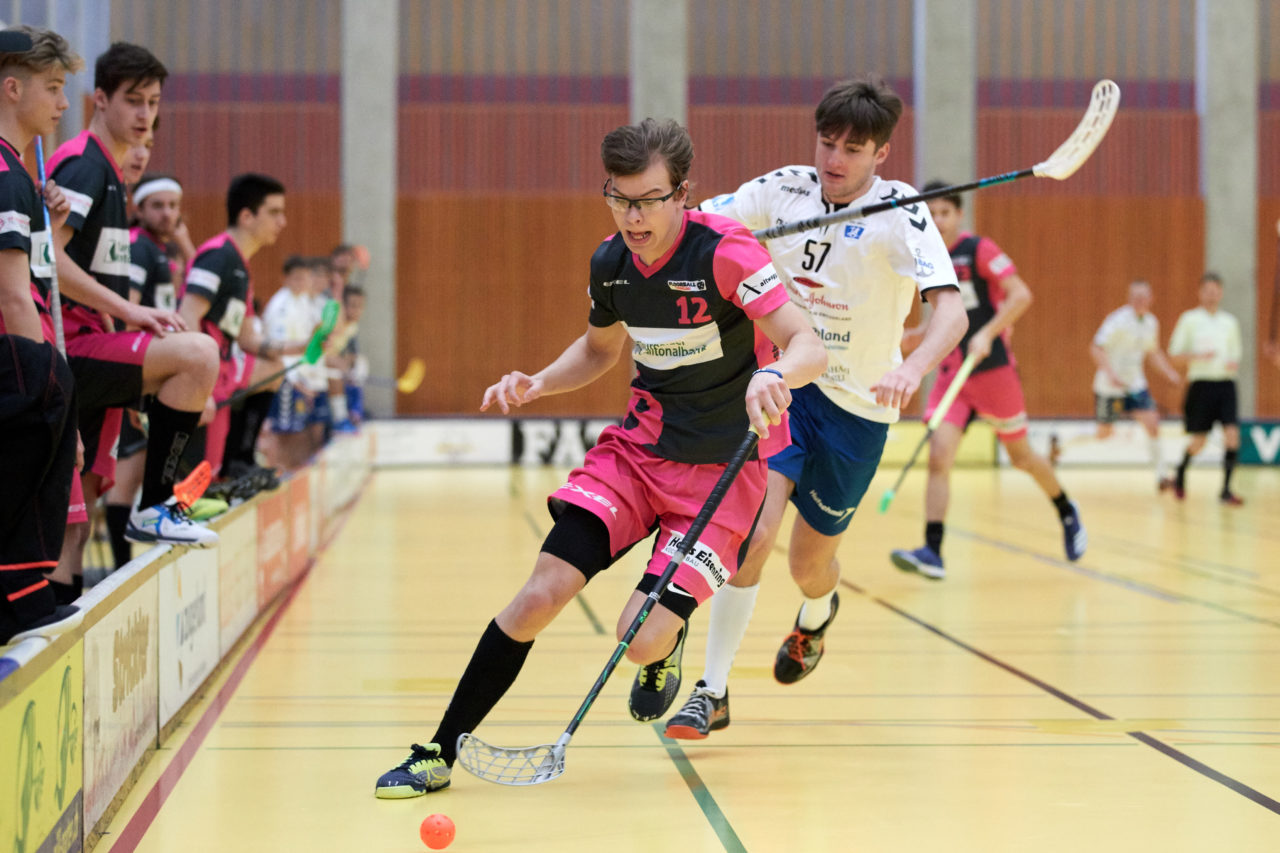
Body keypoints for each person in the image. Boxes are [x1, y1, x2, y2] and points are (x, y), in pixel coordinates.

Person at [373, 118, 826, 798]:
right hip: (637, 456)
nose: (632, 216)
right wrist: (538, 380)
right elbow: (598, 350)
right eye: (618, 197)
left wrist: (777, 375)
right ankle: (437, 750)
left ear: (682, 193)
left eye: (647, 199)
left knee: (638, 638)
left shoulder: (726, 253)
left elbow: (807, 343)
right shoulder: (611, 264)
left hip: (718, 477)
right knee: (540, 593)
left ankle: (662, 646)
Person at [661, 75, 968, 739]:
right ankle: (712, 689)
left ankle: (818, 614)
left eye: (853, 150)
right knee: (751, 536)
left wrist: (914, 368)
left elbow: (953, 308)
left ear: (881, 154)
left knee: (808, 564)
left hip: (858, 406)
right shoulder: (783, 190)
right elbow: (702, 226)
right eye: (828, 143)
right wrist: (662, 216)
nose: (835, 159)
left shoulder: (903, 211)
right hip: (785, 381)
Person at [45, 42, 220, 601]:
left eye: (153, 103)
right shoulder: (84, 164)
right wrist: (128, 311)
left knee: (80, 514)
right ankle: (158, 503)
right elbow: (48, 257)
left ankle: (56, 634)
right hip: (69, 349)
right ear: (100, 99)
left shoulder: (111, 174)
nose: (145, 116)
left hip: (100, 343)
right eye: (133, 101)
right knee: (197, 353)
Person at [891, 181, 1087, 581]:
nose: (938, 220)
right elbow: (944, 317)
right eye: (931, 214)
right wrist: (916, 336)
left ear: (959, 215)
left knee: (1021, 458)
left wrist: (989, 332)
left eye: (945, 212)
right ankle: (933, 550)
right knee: (939, 457)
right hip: (953, 376)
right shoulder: (928, 259)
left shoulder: (979, 249)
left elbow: (1021, 296)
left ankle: (1066, 510)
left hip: (992, 371)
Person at [0, 25, 83, 642]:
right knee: (52, 386)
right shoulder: (5, 175)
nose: (61, 103)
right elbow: (11, 295)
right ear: (11, 88)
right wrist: (52, 395)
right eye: (52, 88)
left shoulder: (17, 174)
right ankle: (20, 595)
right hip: (10, 354)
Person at [177, 172, 297, 479]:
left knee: (274, 365)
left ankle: (240, 460)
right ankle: (236, 462)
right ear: (246, 216)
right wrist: (199, 386)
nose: (282, 222)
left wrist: (302, 345)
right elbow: (187, 315)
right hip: (207, 374)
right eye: (274, 212)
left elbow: (247, 339)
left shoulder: (240, 264)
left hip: (225, 368)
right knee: (199, 478)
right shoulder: (219, 255)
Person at [102, 170, 188, 567]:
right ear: (139, 209)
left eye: (173, 206)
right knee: (125, 478)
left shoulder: (159, 250)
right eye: (158, 206)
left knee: (135, 476)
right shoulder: (139, 247)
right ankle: (119, 570)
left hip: (150, 373)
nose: (167, 213)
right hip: (138, 373)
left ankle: (124, 564)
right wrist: (136, 389)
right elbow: (127, 309)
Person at [1085, 280, 1182, 489]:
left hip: (1135, 385)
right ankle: (1061, 447)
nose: (1139, 301)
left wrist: (1169, 374)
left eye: (1143, 297)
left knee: (1152, 423)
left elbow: (1152, 352)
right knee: (1104, 434)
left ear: (1151, 299)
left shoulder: (1151, 323)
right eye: (1135, 297)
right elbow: (1096, 347)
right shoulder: (1118, 321)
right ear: (1129, 299)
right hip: (1109, 387)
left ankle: (1161, 475)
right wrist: (1110, 374)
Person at [1167, 272, 1243, 505]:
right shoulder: (1189, 320)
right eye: (1207, 291)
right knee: (1198, 442)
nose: (1212, 295)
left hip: (1226, 385)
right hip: (1201, 385)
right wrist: (1197, 356)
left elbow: (1236, 354)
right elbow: (1174, 356)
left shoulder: (1230, 322)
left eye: (1216, 291)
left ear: (1221, 293)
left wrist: (1232, 363)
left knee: (1232, 435)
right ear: (1200, 293)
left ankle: (1226, 489)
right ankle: (1180, 473)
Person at [260, 255, 325, 469]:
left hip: (302, 376)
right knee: (284, 430)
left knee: (301, 429)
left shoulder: (304, 301)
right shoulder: (281, 307)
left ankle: (294, 475)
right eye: (297, 279)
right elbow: (280, 350)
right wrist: (296, 382)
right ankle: (279, 473)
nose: (302, 283)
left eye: (306, 278)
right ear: (285, 279)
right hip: (285, 377)